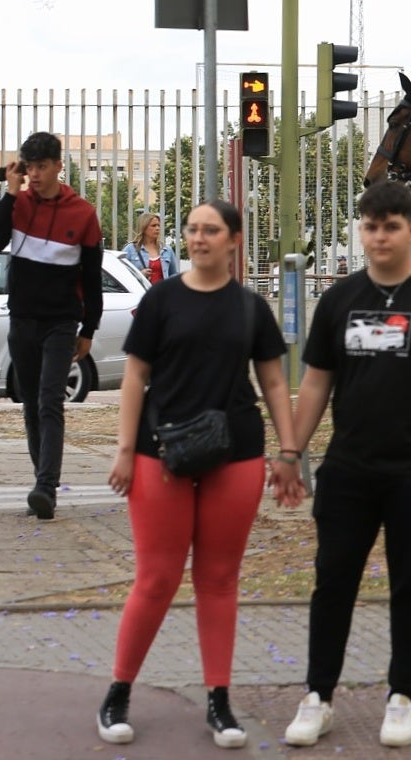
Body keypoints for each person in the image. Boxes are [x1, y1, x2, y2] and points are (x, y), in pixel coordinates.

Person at [276, 179, 411, 749]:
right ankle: (318, 696)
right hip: (348, 472)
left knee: (410, 585)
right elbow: (315, 384)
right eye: (371, 226)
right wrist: (291, 451)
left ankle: (401, 697)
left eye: (391, 226)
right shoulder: (340, 301)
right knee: (332, 582)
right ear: (360, 232)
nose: (380, 236)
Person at [97, 199, 302, 749]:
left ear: (233, 240)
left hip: (234, 453)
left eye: (210, 230)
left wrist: (289, 451)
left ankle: (219, 700)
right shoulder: (161, 300)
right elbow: (135, 378)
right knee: (157, 579)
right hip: (157, 454)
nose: (198, 238)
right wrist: (122, 449)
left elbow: (275, 384)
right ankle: (118, 692)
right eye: (191, 229)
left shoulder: (248, 308)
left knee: (218, 579)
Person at [0, 131, 104, 520]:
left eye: (40, 167)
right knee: (31, 402)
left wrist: (89, 330)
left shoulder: (82, 214)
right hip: (22, 319)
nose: (34, 174)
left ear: (57, 166)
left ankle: (46, 487)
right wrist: (10, 193)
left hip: (61, 321)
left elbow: (91, 276)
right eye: (28, 167)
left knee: (52, 400)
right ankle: (42, 480)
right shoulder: (17, 204)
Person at [123, 211, 180, 284]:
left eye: (158, 225)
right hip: (141, 293)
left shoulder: (166, 249)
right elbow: (121, 275)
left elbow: (174, 274)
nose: (157, 228)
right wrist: (139, 274)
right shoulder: (130, 249)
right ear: (143, 228)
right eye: (153, 225)